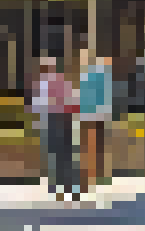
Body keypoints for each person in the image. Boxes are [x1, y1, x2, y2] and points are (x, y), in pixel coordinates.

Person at [32, 56, 82, 203]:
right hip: (59, 119)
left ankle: (63, 188)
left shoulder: (47, 82)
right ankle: (67, 188)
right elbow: (73, 100)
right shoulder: (56, 81)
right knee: (63, 153)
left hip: (56, 119)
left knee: (58, 153)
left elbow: (39, 105)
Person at [77, 50, 117, 193]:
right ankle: (94, 176)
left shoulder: (96, 74)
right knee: (92, 145)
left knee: (94, 145)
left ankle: (96, 176)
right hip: (92, 114)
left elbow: (99, 95)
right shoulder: (90, 74)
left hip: (94, 114)